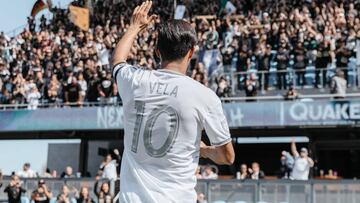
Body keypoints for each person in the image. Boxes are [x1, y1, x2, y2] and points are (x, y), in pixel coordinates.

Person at [111, 1, 234, 202]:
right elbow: (227, 157)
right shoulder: (205, 96)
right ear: (191, 52)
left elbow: (117, 61)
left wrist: (134, 27)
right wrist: (203, 150)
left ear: (157, 52)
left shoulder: (135, 81)